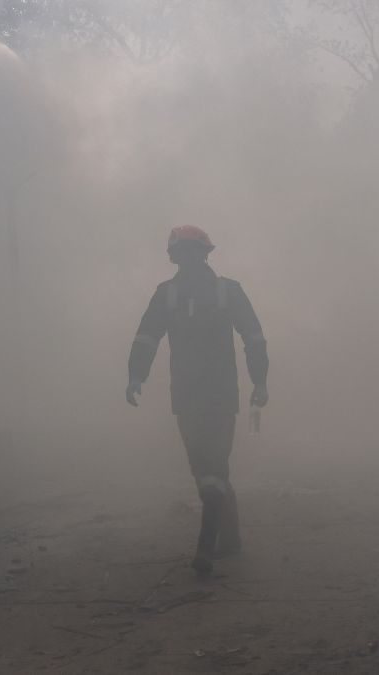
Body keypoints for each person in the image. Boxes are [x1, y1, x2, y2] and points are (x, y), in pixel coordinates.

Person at [125, 225, 269, 576]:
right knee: (205, 469)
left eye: (192, 252)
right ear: (176, 257)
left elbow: (253, 337)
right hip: (189, 394)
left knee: (213, 467)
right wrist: (136, 374)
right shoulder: (168, 294)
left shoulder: (227, 291)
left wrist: (260, 380)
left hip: (217, 393)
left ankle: (205, 547)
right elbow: (147, 337)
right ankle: (230, 538)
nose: (187, 258)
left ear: (202, 254)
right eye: (183, 252)